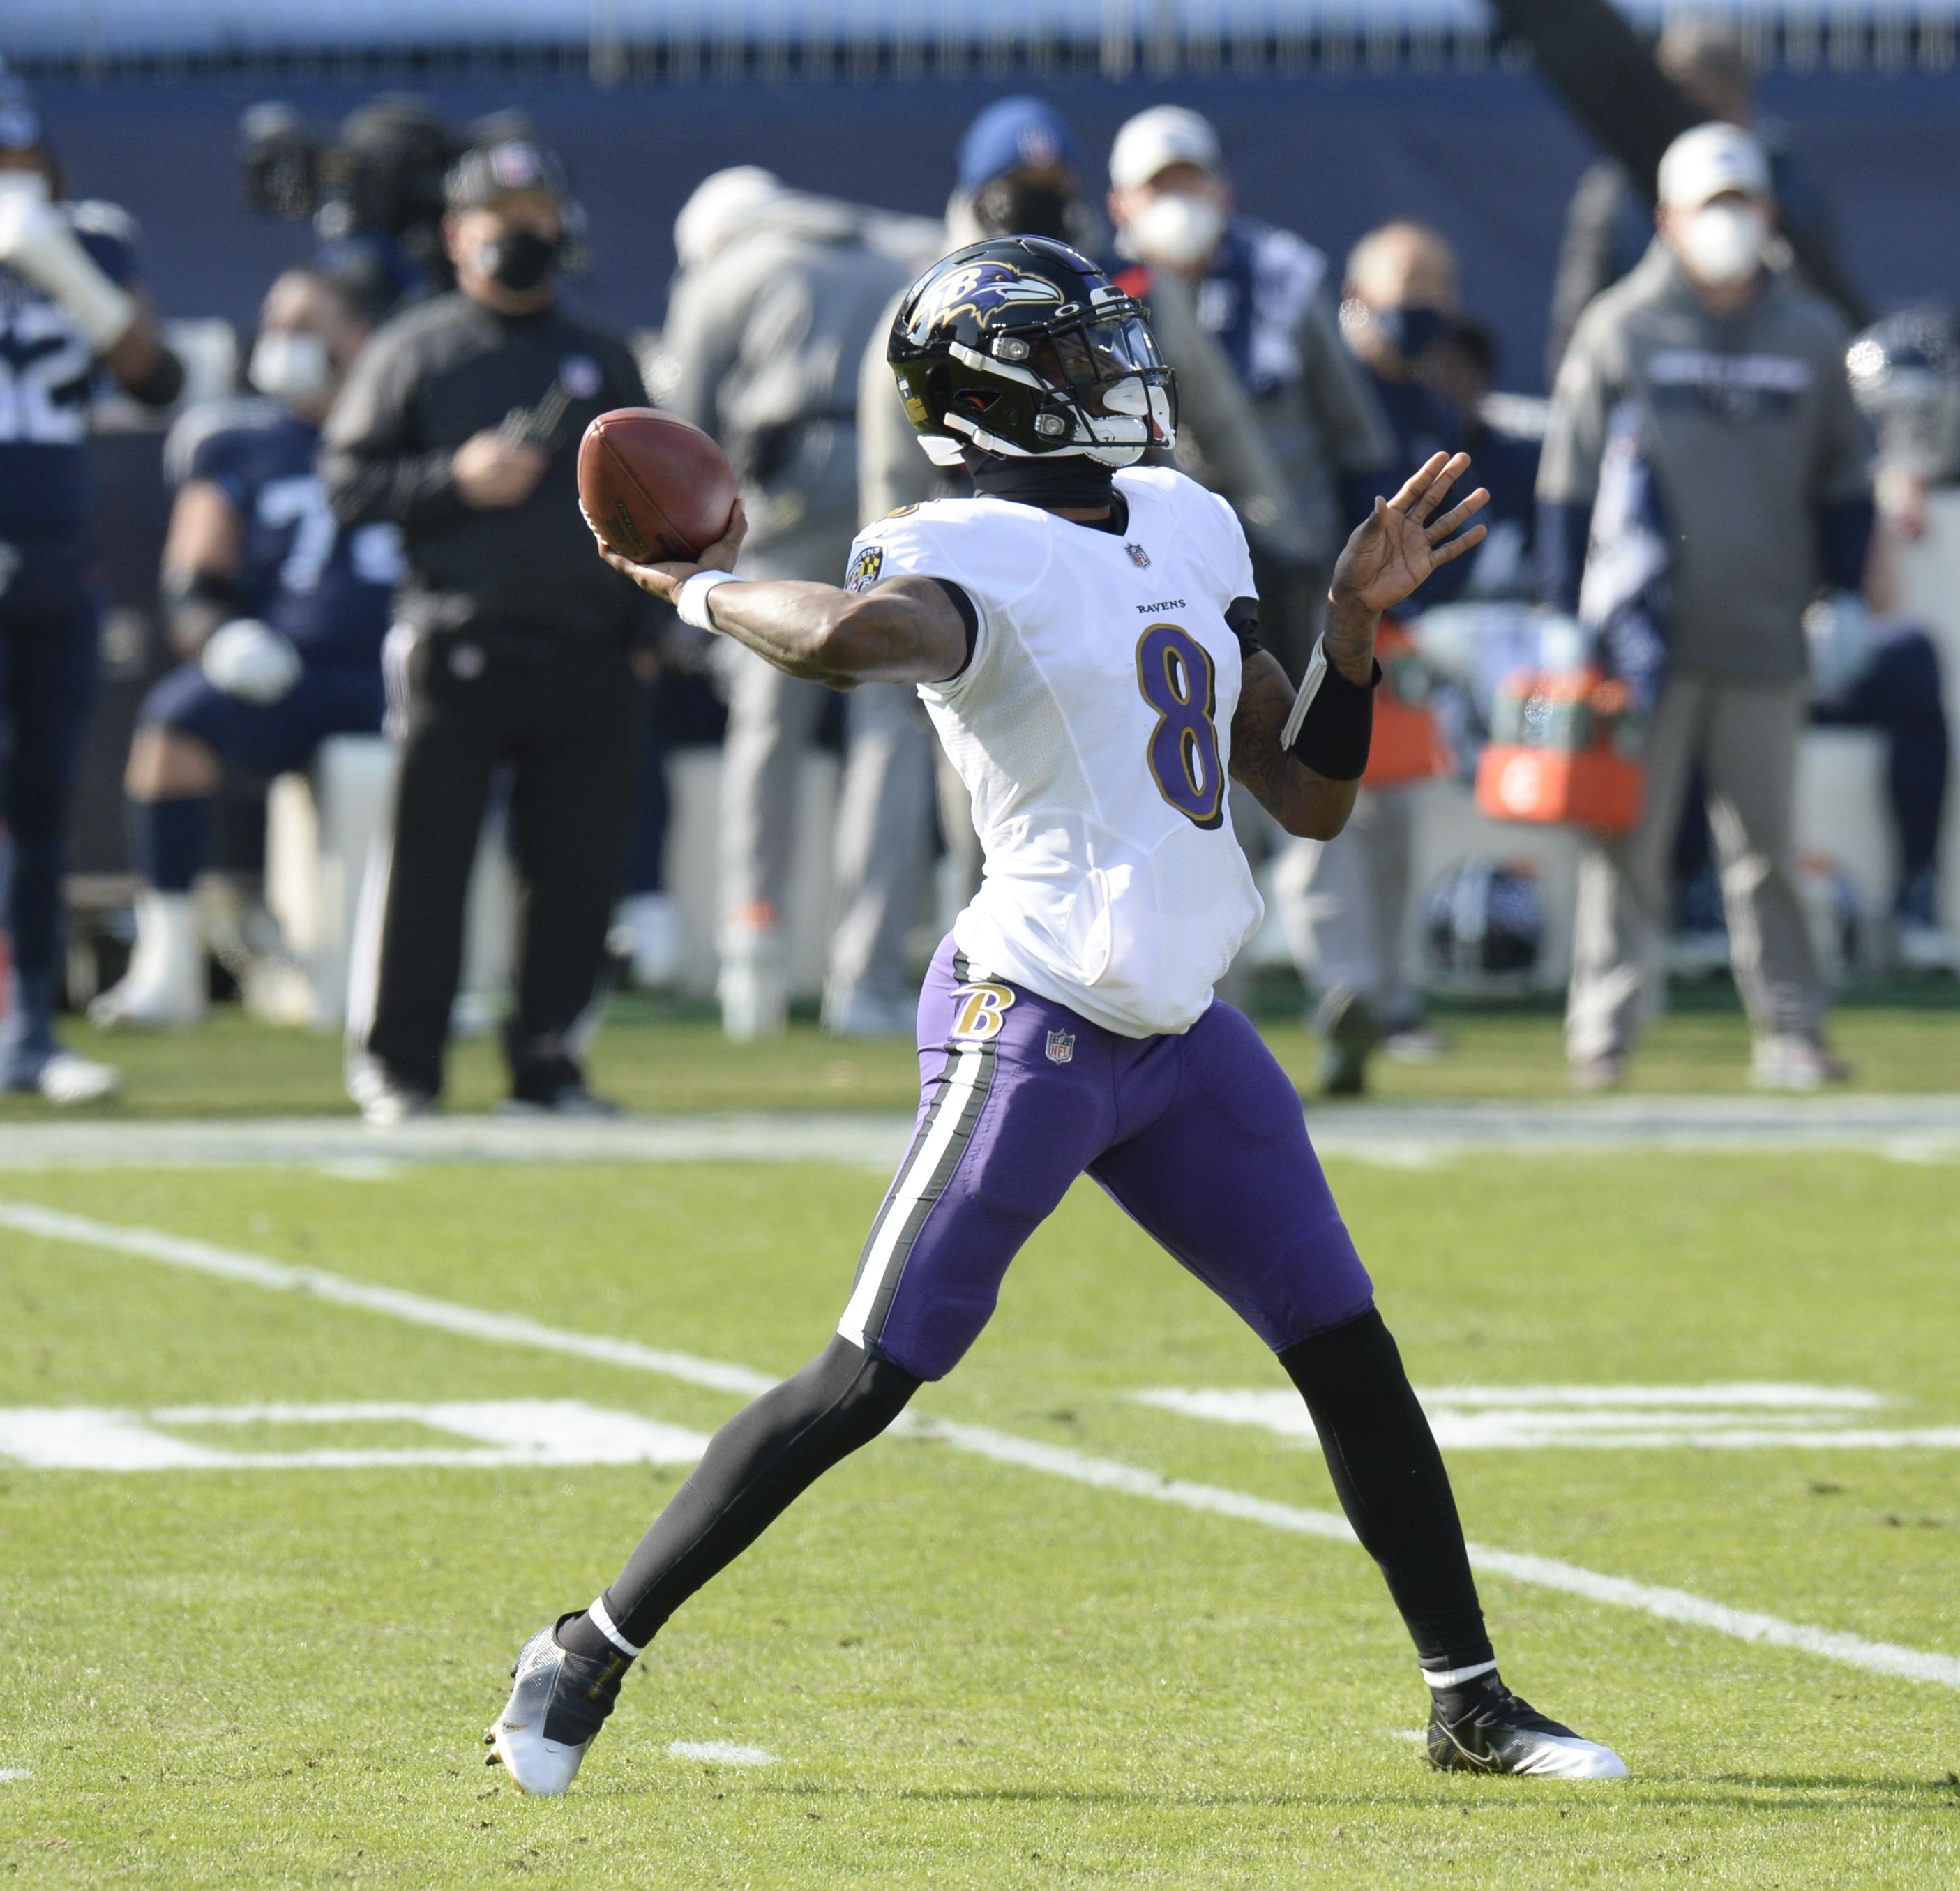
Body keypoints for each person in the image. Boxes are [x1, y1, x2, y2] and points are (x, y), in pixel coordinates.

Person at [488, 233, 1624, 1791]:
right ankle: (587, 1648)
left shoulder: (1187, 518)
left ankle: (1469, 1698)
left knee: (1347, 1347)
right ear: (997, 398)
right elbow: (845, 641)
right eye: (1084, 359)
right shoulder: (955, 547)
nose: (1121, 377)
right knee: (866, 1373)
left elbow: (1304, 791)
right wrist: (695, 587)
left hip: (1182, 1036)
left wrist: (1353, 628)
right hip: (1029, 1025)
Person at [322, 136, 658, 1123]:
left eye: (536, 219)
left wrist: (644, 628)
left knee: (575, 869)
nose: (521, 237)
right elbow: (347, 483)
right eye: (500, 221)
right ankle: (401, 1064)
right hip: (455, 641)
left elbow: (653, 496)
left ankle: (549, 1059)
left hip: (586, 647)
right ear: (458, 234)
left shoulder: (602, 354)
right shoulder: (414, 347)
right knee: (428, 863)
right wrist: (452, 481)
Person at [1541, 123, 1869, 1093]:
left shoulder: (1810, 333)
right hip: (1641, 642)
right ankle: (1604, 1029)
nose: (1729, 224)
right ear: (1666, 219)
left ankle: (1791, 1028)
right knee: (1623, 850)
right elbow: (1568, 480)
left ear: (1770, 212)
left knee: (1766, 850)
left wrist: (1844, 593)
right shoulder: (1621, 327)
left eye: (1743, 203)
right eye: (1709, 206)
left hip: (1766, 632)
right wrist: (1566, 612)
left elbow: (1844, 483)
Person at [661, 166, 944, 1039]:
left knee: (766, 725)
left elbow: (677, 423)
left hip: (777, 505)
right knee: (887, 736)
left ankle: (755, 947)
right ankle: (868, 975)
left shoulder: (727, 275)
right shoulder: (886, 252)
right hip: (891, 498)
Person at [92, 262, 395, 1028]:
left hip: (400, 673)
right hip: (288, 674)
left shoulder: (409, 428)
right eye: (276, 325)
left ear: (358, 340)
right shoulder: (238, 442)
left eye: (306, 327)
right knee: (173, 724)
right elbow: (189, 585)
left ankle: (443, 970)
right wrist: (224, 638)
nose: (282, 342)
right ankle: (167, 963)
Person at [0, 45, 183, 1104]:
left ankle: (29, 1035)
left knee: (45, 800)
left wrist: (63, 272)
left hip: (61, 559)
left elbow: (157, 382)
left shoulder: (89, 238)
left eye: (13, 141)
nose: (3, 164)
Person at [1273, 217, 1473, 1093]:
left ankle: (1389, 996)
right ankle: (1341, 990)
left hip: (1397, 633)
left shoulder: (1429, 399)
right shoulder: (1331, 378)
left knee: (1393, 819)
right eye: (1406, 286)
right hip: (1319, 624)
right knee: (1326, 818)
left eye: (1434, 287)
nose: (1420, 306)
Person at [1104, 103, 1393, 677]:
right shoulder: (1103, 295)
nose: (1178, 202)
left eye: (1191, 183)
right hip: (1156, 565)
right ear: (1121, 205)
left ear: (1223, 190)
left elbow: (1354, 431)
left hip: (1296, 554)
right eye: (1159, 188)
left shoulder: (1282, 279)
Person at [1543, 15, 1854, 379]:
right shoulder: (1613, 194)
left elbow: (1823, 317)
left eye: (1713, 110)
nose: (1696, 128)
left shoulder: (1789, 186)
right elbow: (1575, 337)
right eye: (1682, 107)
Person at [1821, 308, 1960, 977]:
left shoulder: (1856, 472)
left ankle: (1917, 892)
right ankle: (1693, 892)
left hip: (1822, 653)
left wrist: (1879, 507)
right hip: (1749, 647)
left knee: (1913, 658)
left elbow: (1877, 599)